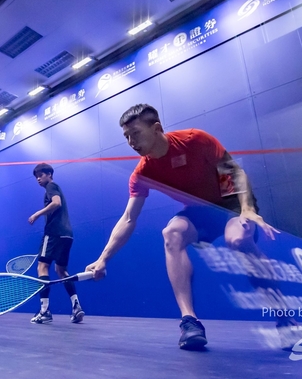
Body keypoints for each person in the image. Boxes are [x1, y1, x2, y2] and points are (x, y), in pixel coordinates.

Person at [85, 104, 280, 350]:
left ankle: (283, 315)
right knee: (171, 233)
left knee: (237, 240)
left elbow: (234, 171)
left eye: (135, 133)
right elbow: (128, 219)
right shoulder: (143, 173)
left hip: (230, 202)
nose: (131, 142)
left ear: (156, 128)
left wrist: (247, 208)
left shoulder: (194, 140)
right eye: (126, 137)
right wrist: (103, 259)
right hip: (199, 212)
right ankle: (190, 321)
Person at [28, 163, 85, 324]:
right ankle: (76, 306)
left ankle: (44, 311)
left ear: (49, 175)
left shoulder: (51, 187)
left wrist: (37, 214)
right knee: (61, 270)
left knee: (42, 267)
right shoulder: (55, 187)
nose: (38, 179)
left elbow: (56, 202)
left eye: (41, 175)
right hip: (67, 235)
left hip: (53, 233)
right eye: (36, 177)